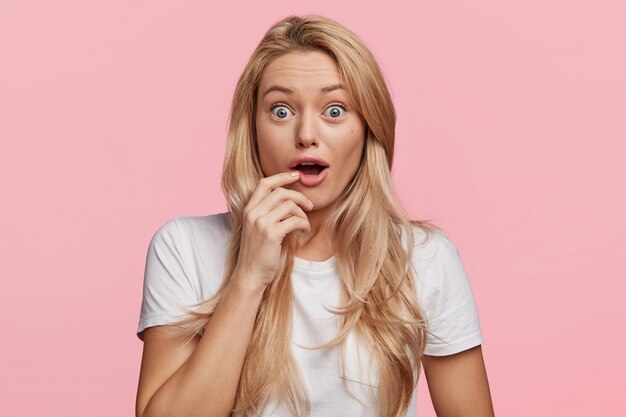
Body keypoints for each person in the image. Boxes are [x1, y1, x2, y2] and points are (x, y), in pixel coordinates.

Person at [135, 14, 495, 417]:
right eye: (281, 111)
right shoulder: (183, 248)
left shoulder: (426, 258)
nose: (306, 133)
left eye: (335, 110)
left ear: (369, 129)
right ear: (252, 128)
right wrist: (249, 277)